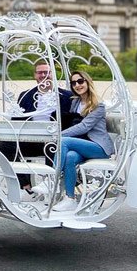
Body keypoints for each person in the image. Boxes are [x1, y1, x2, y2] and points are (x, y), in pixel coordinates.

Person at [0, 60, 73, 198]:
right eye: (40, 72)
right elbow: (17, 120)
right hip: (32, 140)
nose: (44, 75)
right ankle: (26, 186)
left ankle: (50, 183)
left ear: (53, 74)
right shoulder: (26, 95)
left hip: (56, 141)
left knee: (52, 144)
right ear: (35, 75)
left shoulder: (67, 96)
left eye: (47, 72)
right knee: (5, 144)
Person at [47, 70, 114, 212]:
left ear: (88, 82)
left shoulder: (98, 105)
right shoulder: (75, 102)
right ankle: (69, 198)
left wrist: (60, 135)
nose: (77, 85)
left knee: (64, 141)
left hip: (98, 147)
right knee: (70, 156)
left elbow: (84, 126)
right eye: (74, 83)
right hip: (83, 143)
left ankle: (51, 179)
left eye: (80, 81)